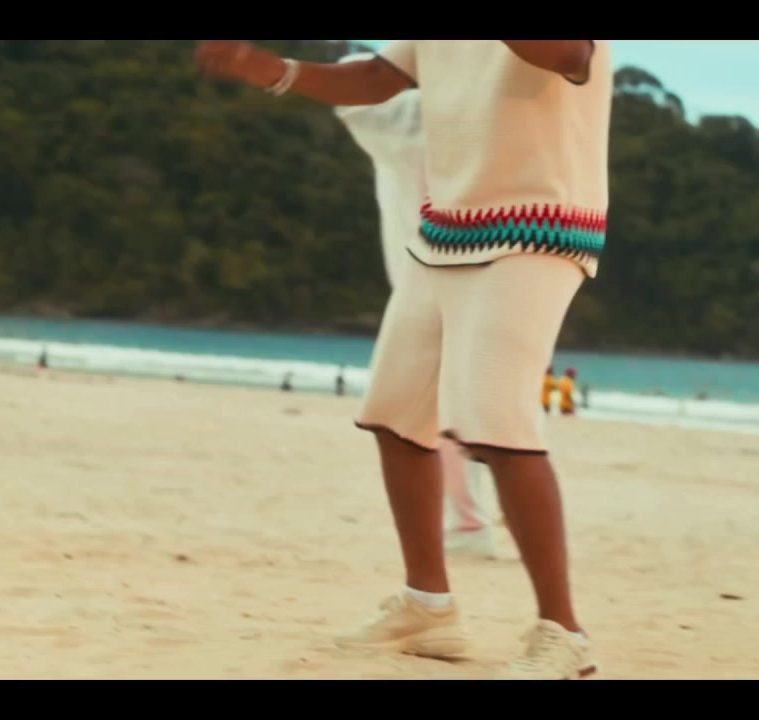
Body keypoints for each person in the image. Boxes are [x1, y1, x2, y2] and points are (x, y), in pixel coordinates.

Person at [197, 38, 610, 680]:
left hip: (540, 223)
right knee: (394, 415)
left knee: (498, 425)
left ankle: (564, 633)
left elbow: (569, 57)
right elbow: (376, 78)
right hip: (449, 226)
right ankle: (428, 607)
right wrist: (271, 70)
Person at [332, 53, 498, 559]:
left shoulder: (409, 126)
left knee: (423, 416)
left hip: (430, 281)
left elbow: (352, 91)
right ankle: (470, 521)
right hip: (482, 277)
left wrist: (412, 66)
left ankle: (468, 524)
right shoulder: (480, 121)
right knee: (471, 412)